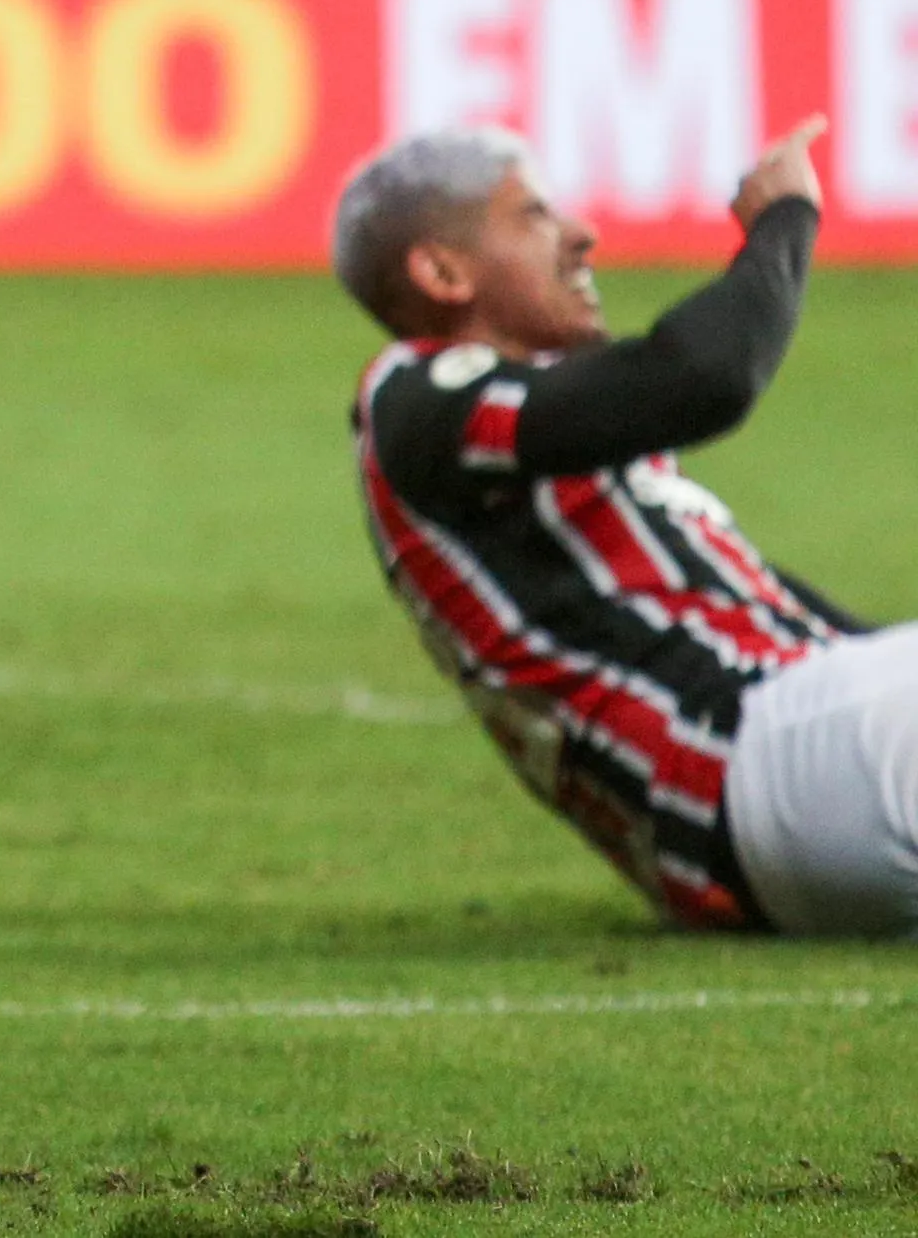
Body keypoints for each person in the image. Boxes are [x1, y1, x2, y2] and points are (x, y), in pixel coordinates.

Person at [338, 118, 918, 935]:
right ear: (441, 270)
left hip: (774, 804)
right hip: (748, 768)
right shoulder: (417, 399)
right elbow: (704, 376)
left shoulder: (533, 446)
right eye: (535, 216)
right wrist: (784, 221)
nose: (583, 236)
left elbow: (812, 639)